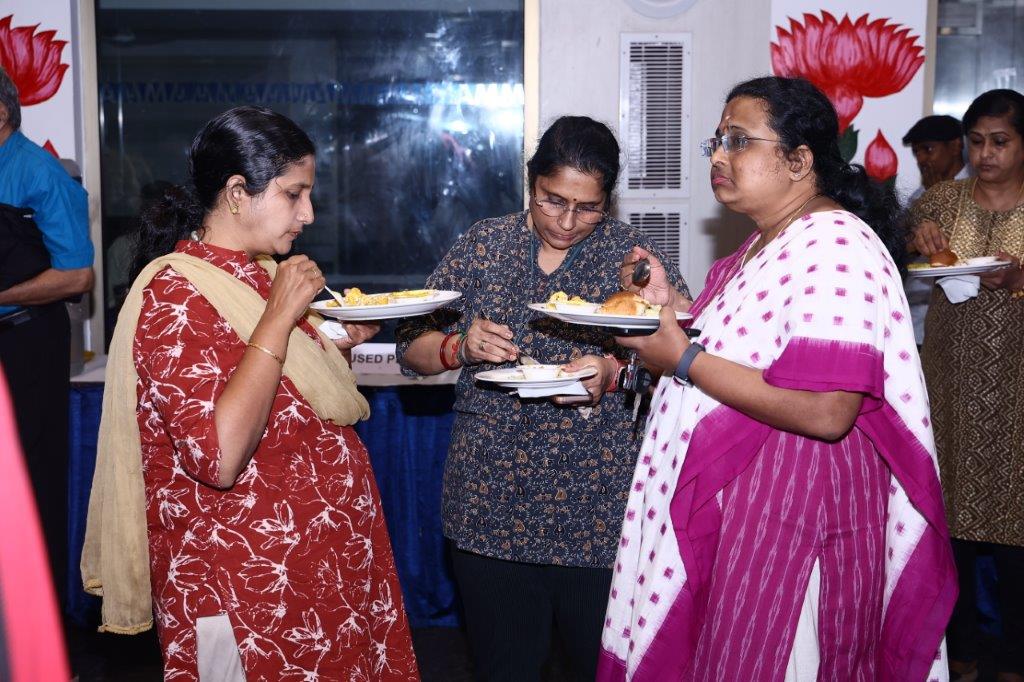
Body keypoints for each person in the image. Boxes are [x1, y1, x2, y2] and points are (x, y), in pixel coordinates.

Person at [599, 76, 955, 681]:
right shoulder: (763, 245)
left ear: (799, 161)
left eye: (739, 141)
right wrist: (669, 309)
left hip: (797, 514)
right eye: (716, 141)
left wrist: (681, 358)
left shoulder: (836, 245)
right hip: (754, 508)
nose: (718, 156)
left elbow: (828, 409)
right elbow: (742, 353)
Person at [81, 106, 418, 680]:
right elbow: (219, 456)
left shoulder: (256, 273)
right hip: (247, 589)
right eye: (294, 194)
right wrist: (281, 318)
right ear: (238, 193)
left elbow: (279, 392)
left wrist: (331, 344)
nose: (308, 214)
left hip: (322, 573)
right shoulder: (174, 295)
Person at [396, 116, 689, 681]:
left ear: (608, 200)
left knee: (597, 669)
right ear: (531, 182)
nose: (567, 221)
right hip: (489, 508)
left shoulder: (633, 259)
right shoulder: (486, 244)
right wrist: (460, 346)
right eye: (553, 200)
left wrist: (614, 372)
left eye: (588, 207)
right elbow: (411, 347)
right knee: (503, 668)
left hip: (598, 511)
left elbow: (684, 365)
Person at [910, 89, 1024, 682]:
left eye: (1000, 142)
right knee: (947, 522)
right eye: (976, 142)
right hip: (949, 385)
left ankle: (1014, 660)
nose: (986, 154)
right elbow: (907, 236)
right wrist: (920, 234)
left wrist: (1019, 279)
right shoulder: (944, 199)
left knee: (1015, 526)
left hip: (1016, 389)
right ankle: (958, 655)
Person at [0, 66, 94, 606]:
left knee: (29, 482)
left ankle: (39, 622)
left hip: (26, 344)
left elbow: (77, 276)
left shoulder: (41, 173)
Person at [902, 114, 972, 346]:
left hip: (960, 318)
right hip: (916, 319)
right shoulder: (918, 194)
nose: (921, 159)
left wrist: (937, 197)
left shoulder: (977, 188)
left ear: (955, 146)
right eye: (916, 152)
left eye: (928, 149)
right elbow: (901, 244)